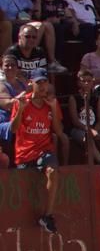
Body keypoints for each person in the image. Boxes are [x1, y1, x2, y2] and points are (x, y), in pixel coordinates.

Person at [11, 73, 64, 233]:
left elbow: (59, 132)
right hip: (24, 154)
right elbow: (13, 129)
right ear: (31, 84)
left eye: (45, 82)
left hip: (44, 150)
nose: (42, 86)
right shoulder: (22, 102)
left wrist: (54, 108)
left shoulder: (51, 104)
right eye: (38, 82)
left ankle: (47, 216)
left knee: (53, 171)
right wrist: (20, 109)